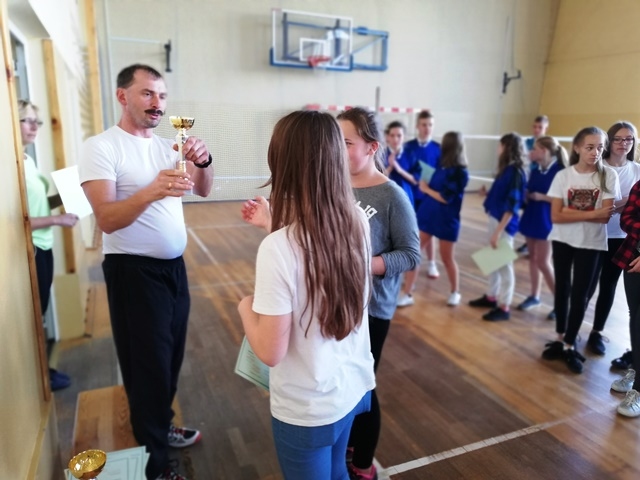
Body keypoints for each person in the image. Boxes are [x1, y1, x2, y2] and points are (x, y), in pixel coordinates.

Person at [79, 64, 213, 480]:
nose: (158, 103)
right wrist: (152, 190)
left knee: (169, 359)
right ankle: (154, 466)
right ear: (123, 96)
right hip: (132, 272)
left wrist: (203, 160)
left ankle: (161, 425)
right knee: (148, 368)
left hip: (173, 270)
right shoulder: (101, 147)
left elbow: (204, 188)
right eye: (148, 94)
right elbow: (106, 219)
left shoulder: (167, 146)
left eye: (162, 96)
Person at [238, 110, 376, 480]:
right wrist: (272, 224)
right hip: (350, 388)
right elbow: (315, 257)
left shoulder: (279, 249)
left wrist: (245, 307)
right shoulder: (358, 220)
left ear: (282, 163)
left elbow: (270, 351)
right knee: (338, 472)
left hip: (308, 409)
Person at [337, 107, 420, 480]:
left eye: (347, 142)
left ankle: (363, 463)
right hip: (338, 304)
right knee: (341, 382)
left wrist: (363, 264)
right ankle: (348, 443)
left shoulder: (392, 196)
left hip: (372, 309)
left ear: (371, 147)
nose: (338, 150)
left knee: (363, 387)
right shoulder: (335, 185)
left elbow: (410, 254)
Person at [541, 127, 619, 374]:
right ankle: (559, 337)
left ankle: (569, 343)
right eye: (590, 147)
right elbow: (555, 216)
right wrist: (593, 212)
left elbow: (605, 217)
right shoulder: (563, 176)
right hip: (562, 239)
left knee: (580, 294)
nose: (595, 152)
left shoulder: (608, 176)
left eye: (600, 147)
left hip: (591, 243)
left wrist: (571, 212)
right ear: (576, 147)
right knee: (562, 288)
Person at [20, 99, 77, 391]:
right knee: (33, 317)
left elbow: (38, 205)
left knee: (40, 312)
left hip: (44, 245)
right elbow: (13, 222)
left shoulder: (27, 160)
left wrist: (67, 197)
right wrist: (57, 220)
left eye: (37, 122)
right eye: (27, 120)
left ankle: (44, 370)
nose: (34, 127)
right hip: (30, 249)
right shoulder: (10, 166)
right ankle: (40, 377)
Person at [585, 122, 640, 356]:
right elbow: (590, 204)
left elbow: (629, 209)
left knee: (608, 286)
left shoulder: (637, 170)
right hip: (593, 235)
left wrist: (614, 204)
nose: (623, 143)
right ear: (609, 141)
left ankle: (596, 332)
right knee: (586, 286)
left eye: (628, 139)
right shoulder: (596, 167)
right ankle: (570, 331)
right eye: (618, 138)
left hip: (621, 239)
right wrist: (624, 201)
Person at [469, 133, 527, 321]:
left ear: (507, 148)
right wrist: (487, 194)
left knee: (504, 265)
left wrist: (498, 231)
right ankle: (491, 296)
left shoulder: (515, 172)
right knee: (494, 262)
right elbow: (501, 196)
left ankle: (504, 306)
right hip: (496, 219)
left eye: (500, 146)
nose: (498, 149)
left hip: (504, 224)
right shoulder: (506, 170)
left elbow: (512, 206)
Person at [415, 131, 469, 306]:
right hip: (430, 215)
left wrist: (426, 189)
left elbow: (446, 197)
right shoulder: (440, 165)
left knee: (447, 258)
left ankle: (455, 291)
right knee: (415, 251)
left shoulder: (460, 172)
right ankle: (408, 288)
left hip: (447, 219)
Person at [516, 136, 567, 317]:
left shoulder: (560, 171)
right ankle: (534, 295)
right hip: (532, 216)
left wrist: (542, 197)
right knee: (533, 258)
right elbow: (530, 190)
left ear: (544, 151)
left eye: (534, 149)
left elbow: (565, 199)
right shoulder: (536, 170)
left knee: (543, 262)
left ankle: (560, 304)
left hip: (547, 219)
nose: (531, 152)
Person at [397, 110, 441, 306]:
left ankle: (431, 263)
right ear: (417, 126)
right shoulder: (408, 147)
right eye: (424, 124)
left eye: (430, 125)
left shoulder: (438, 149)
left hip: (429, 197)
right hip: (412, 196)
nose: (427, 128)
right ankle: (408, 272)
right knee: (411, 234)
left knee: (428, 232)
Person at [610, 179, 640, 417]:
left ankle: (638, 389)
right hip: (633, 258)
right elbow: (626, 219)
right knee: (634, 315)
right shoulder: (639, 186)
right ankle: (636, 367)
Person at [518, 115, 550, 255]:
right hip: (527, 180)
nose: (537, 130)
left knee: (542, 214)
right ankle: (528, 242)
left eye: (540, 127)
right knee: (528, 212)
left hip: (541, 183)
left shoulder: (549, 144)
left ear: (546, 128)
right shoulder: (527, 143)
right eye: (535, 126)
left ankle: (542, 246)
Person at [383, 120, 416, 204]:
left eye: (399, 135)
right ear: (387, 137)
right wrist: (390, 167)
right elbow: (375, 179)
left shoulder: (410, 154)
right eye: (392, 135)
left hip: (406, 198)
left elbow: (416, 180)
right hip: (386, 198)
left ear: (404, 137)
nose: (395, 139)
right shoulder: (381, 155)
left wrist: (399, 169)